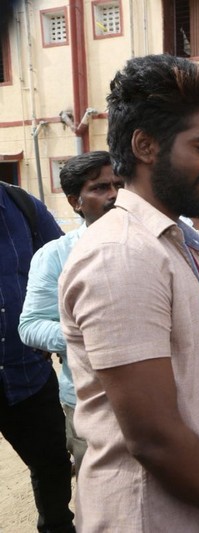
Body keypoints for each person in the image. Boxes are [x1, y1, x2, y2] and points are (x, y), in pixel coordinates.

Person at [58, 54, 199, 532]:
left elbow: (194, 381)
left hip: (195, 500)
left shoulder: (170, 241)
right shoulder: (121, 255)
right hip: (148, 514)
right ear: (145, 146)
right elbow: (153, 436)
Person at [18, 151, 123, 477]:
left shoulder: (158, 242)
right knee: (104, 498)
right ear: (75, 201)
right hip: (89, 401)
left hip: (159, 398)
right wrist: (84, 336)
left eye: (119, 184)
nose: (114, 195)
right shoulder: (55, 256)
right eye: (101, 187)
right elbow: (31, 326)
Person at [1, 181, 71, 532]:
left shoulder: (22, 206)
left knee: (52, 465)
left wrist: (49, 328)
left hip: (27, 373)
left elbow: (69, 268)